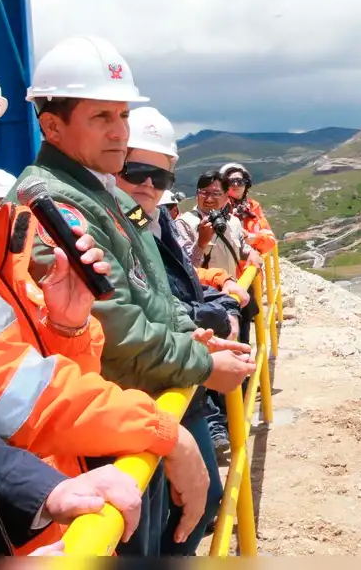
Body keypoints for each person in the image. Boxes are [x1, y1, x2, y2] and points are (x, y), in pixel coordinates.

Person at [0, 23, 208, 554]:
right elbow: (20, 398)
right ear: (50, 126)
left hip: (59, 509)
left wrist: (67, 325)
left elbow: (44, 376)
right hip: (23, 528)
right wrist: (165, 428)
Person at [6, 34, 255, 556]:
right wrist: (203, 364)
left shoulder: (105, 194)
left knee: (183, 528)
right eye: (102, 117)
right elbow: (115, 333)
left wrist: (196, 338)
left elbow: (155, 294)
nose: (120, 131)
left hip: (134, 412)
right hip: (103, 433)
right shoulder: (52, 202)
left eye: (122, 114)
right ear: (52, 125)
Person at [0, 270, 143, 557]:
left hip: (50, 516)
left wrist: (45, 490)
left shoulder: (9, 240)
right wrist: (161, 429)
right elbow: (22, 398)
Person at [119, 106, 249, 554]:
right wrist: (203, 332)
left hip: (175, 372)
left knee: (202, 498)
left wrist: (215, 297)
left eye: (161, 178)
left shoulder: (147, 222)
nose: (149, 186)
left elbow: (175, 285)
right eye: (136, 171)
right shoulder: (118, 224)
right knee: (155, 526)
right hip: (149, 387)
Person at [175, 170, 262, 277]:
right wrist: (200, 244)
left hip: (232, 290)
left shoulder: (233, 221)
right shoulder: (184, 223)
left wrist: (251, 253)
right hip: (206, 293)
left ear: (226, 196)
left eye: (216, 194)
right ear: (197, 194)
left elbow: (241, 247)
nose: (209, 198)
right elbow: (183, 268)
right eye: (204, 192)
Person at [219, 162, 276, 255]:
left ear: (246, 184)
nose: (236, 184)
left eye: (240, 181)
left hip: (251, 264)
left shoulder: (253, 207)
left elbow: (270, 241)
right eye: (230, 181)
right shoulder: (217, 206)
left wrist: (252, 238)